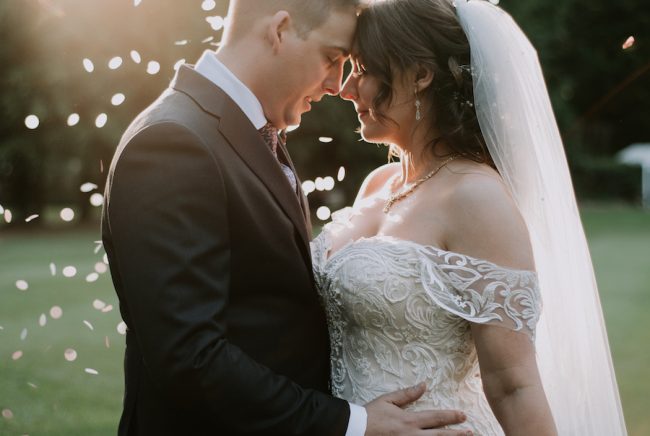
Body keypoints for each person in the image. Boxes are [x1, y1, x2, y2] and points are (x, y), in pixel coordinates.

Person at [101, 0, 471, 435]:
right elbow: (190, 357)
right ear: (279, 30)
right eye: (333, 58)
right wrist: (352, 423)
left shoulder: (248, 129)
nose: (338, 85)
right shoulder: (173, 143)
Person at [311, 0, 626, 434]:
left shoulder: (476, 197)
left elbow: (513, 383)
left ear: (421, 74)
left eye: (363, 69)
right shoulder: (378, 183)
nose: (347, 89)